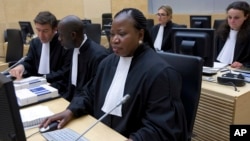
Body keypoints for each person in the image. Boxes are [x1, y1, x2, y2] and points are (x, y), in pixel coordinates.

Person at [40, 8, 188, 141]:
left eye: (122, 34)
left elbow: (160, 128)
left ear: (140, 34)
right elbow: (90, 93)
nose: (114, 40)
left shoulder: (160, 73)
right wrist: (71, 111)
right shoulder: (107, 63)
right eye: (112, 34)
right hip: (100, 133)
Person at [9, 11, 72, 90]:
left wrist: (43, 78)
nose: (41, 35)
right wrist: (22, 67)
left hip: (58, 86)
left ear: (54, 29)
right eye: (38, 30)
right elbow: (29, 62)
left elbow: (65, 71)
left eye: (45, 31)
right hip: (36, 84)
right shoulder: (35, 42)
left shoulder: (64, 44)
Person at [57, 15, 110, 101]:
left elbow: (94, 92)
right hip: (71, 101)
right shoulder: (71, 48)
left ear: (73, 35)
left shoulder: (99, 56)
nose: (59, 39)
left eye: (61, 35)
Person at [215, 1, 250, 68]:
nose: (232, 21)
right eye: (229, 17)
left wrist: (243, 65)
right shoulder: (221, 32)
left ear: (246, 16)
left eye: (236, 18)